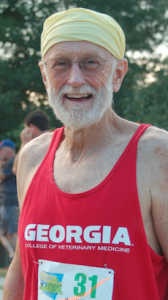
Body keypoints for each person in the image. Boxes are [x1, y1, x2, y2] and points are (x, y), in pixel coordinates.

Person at [3, 8, 168, 300]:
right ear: (44, 75)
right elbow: (21, 269)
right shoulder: (32, 157)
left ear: (118, 73)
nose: (76, 79)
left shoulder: (156, 154)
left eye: (91, 63)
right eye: (61, 64)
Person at [12, 109, 50, 174]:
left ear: (31, 128)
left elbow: (16, 169)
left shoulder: (37, 145)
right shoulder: (59, 139)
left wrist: (24, 142)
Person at [0, 140, 19, 264]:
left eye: (2, 149)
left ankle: (18, 257)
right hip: (5, 201)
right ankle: (14, 255)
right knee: (3, 232)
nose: (1, 152)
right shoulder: (7, 163)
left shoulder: (12, 161)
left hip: (10, 201)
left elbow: (1, 176)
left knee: (12, 232)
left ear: (9, 149)